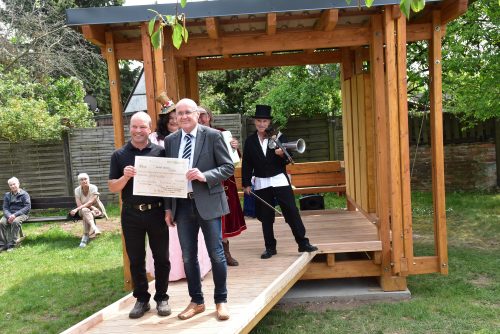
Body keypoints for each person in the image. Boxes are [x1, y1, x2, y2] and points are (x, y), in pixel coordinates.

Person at [164, 98, 233, 321]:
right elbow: (168, 176)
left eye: (187, 112)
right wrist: (168, 208)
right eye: (179, 113)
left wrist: (205, 176)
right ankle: (197, 301)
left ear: (197, 114)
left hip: (209, 202)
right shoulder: (171, 141)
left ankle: (220, 301)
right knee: (187, 257)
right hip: (182, 205)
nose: (183, 116)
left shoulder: (212, 136)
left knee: (216, 253)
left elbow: (227, 167)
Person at [108, 111, 171, 319]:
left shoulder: (161, 152)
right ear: (130, 129)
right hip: (131, 214)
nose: (138, 130)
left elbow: (169, 183)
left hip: (156, 212)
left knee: (162, 257)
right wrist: (125, 177)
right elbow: (112, 188)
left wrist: (169, 210)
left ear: (150, 129)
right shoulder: (119, 155)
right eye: (134, 126)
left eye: (142, 127)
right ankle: (141, 299)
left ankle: (162, 297)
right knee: (136, 259)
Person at [145, 98, 212, 281]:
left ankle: (196, 271)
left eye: (178, 117)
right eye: (171, 119)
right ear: (165, 121)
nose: (175, 121)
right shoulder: (157, 140)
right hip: (166, 195)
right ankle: (172, 272)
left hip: (190, 194)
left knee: (193, 239)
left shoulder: (191, 137)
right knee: (169, 236)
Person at [241, 105, 318, 259]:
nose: (261, 124)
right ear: (255, 122)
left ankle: (303, 243)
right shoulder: (250, 141)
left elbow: (288, 160)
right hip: (262, 182)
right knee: (265, 216)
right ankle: (270, 247)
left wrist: (281, 154)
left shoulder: (278, 137)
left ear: (269, 122)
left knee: (291, 211)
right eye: (258, 121)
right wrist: (246, 184)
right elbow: (247, 164)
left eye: (264, 121)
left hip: (279, 180)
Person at [197, 105, 246, 266]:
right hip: (201, 182)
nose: (200, 119)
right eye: (197, 115)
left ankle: (225, 253)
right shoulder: (192, 137)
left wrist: (234, 147)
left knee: (223, 219)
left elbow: (234, 159)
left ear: (209, 117)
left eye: (203, 115)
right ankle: (206, 258)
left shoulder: (221, 133)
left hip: (224, 182)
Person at [70, 173, 108, 248]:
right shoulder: (77, 190)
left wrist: (76, 209)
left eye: (85, 179)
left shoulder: (94, 188)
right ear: (79, 182)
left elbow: (91, 202)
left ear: (88, 180)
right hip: (83, 209)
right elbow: (79, 205)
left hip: (97, 211)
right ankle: (94, 228)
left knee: (85, 213)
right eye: (81, 180)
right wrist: (91, 208)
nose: (84, 181)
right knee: (84, 210)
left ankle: (85, 237)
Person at [0, 177, 31, 252]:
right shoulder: (7, 195)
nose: (13, 186)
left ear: (18, 184)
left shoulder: (24, 194)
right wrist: (9, 216)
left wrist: (14, 215)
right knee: (1, 222)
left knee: (15, 222)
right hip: (10, 214)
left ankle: (12, 245)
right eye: (11, 185)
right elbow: (5, 208)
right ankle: (2, 244)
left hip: (22, 214)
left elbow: (27, 207)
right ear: (9, 186)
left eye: (14, 184)